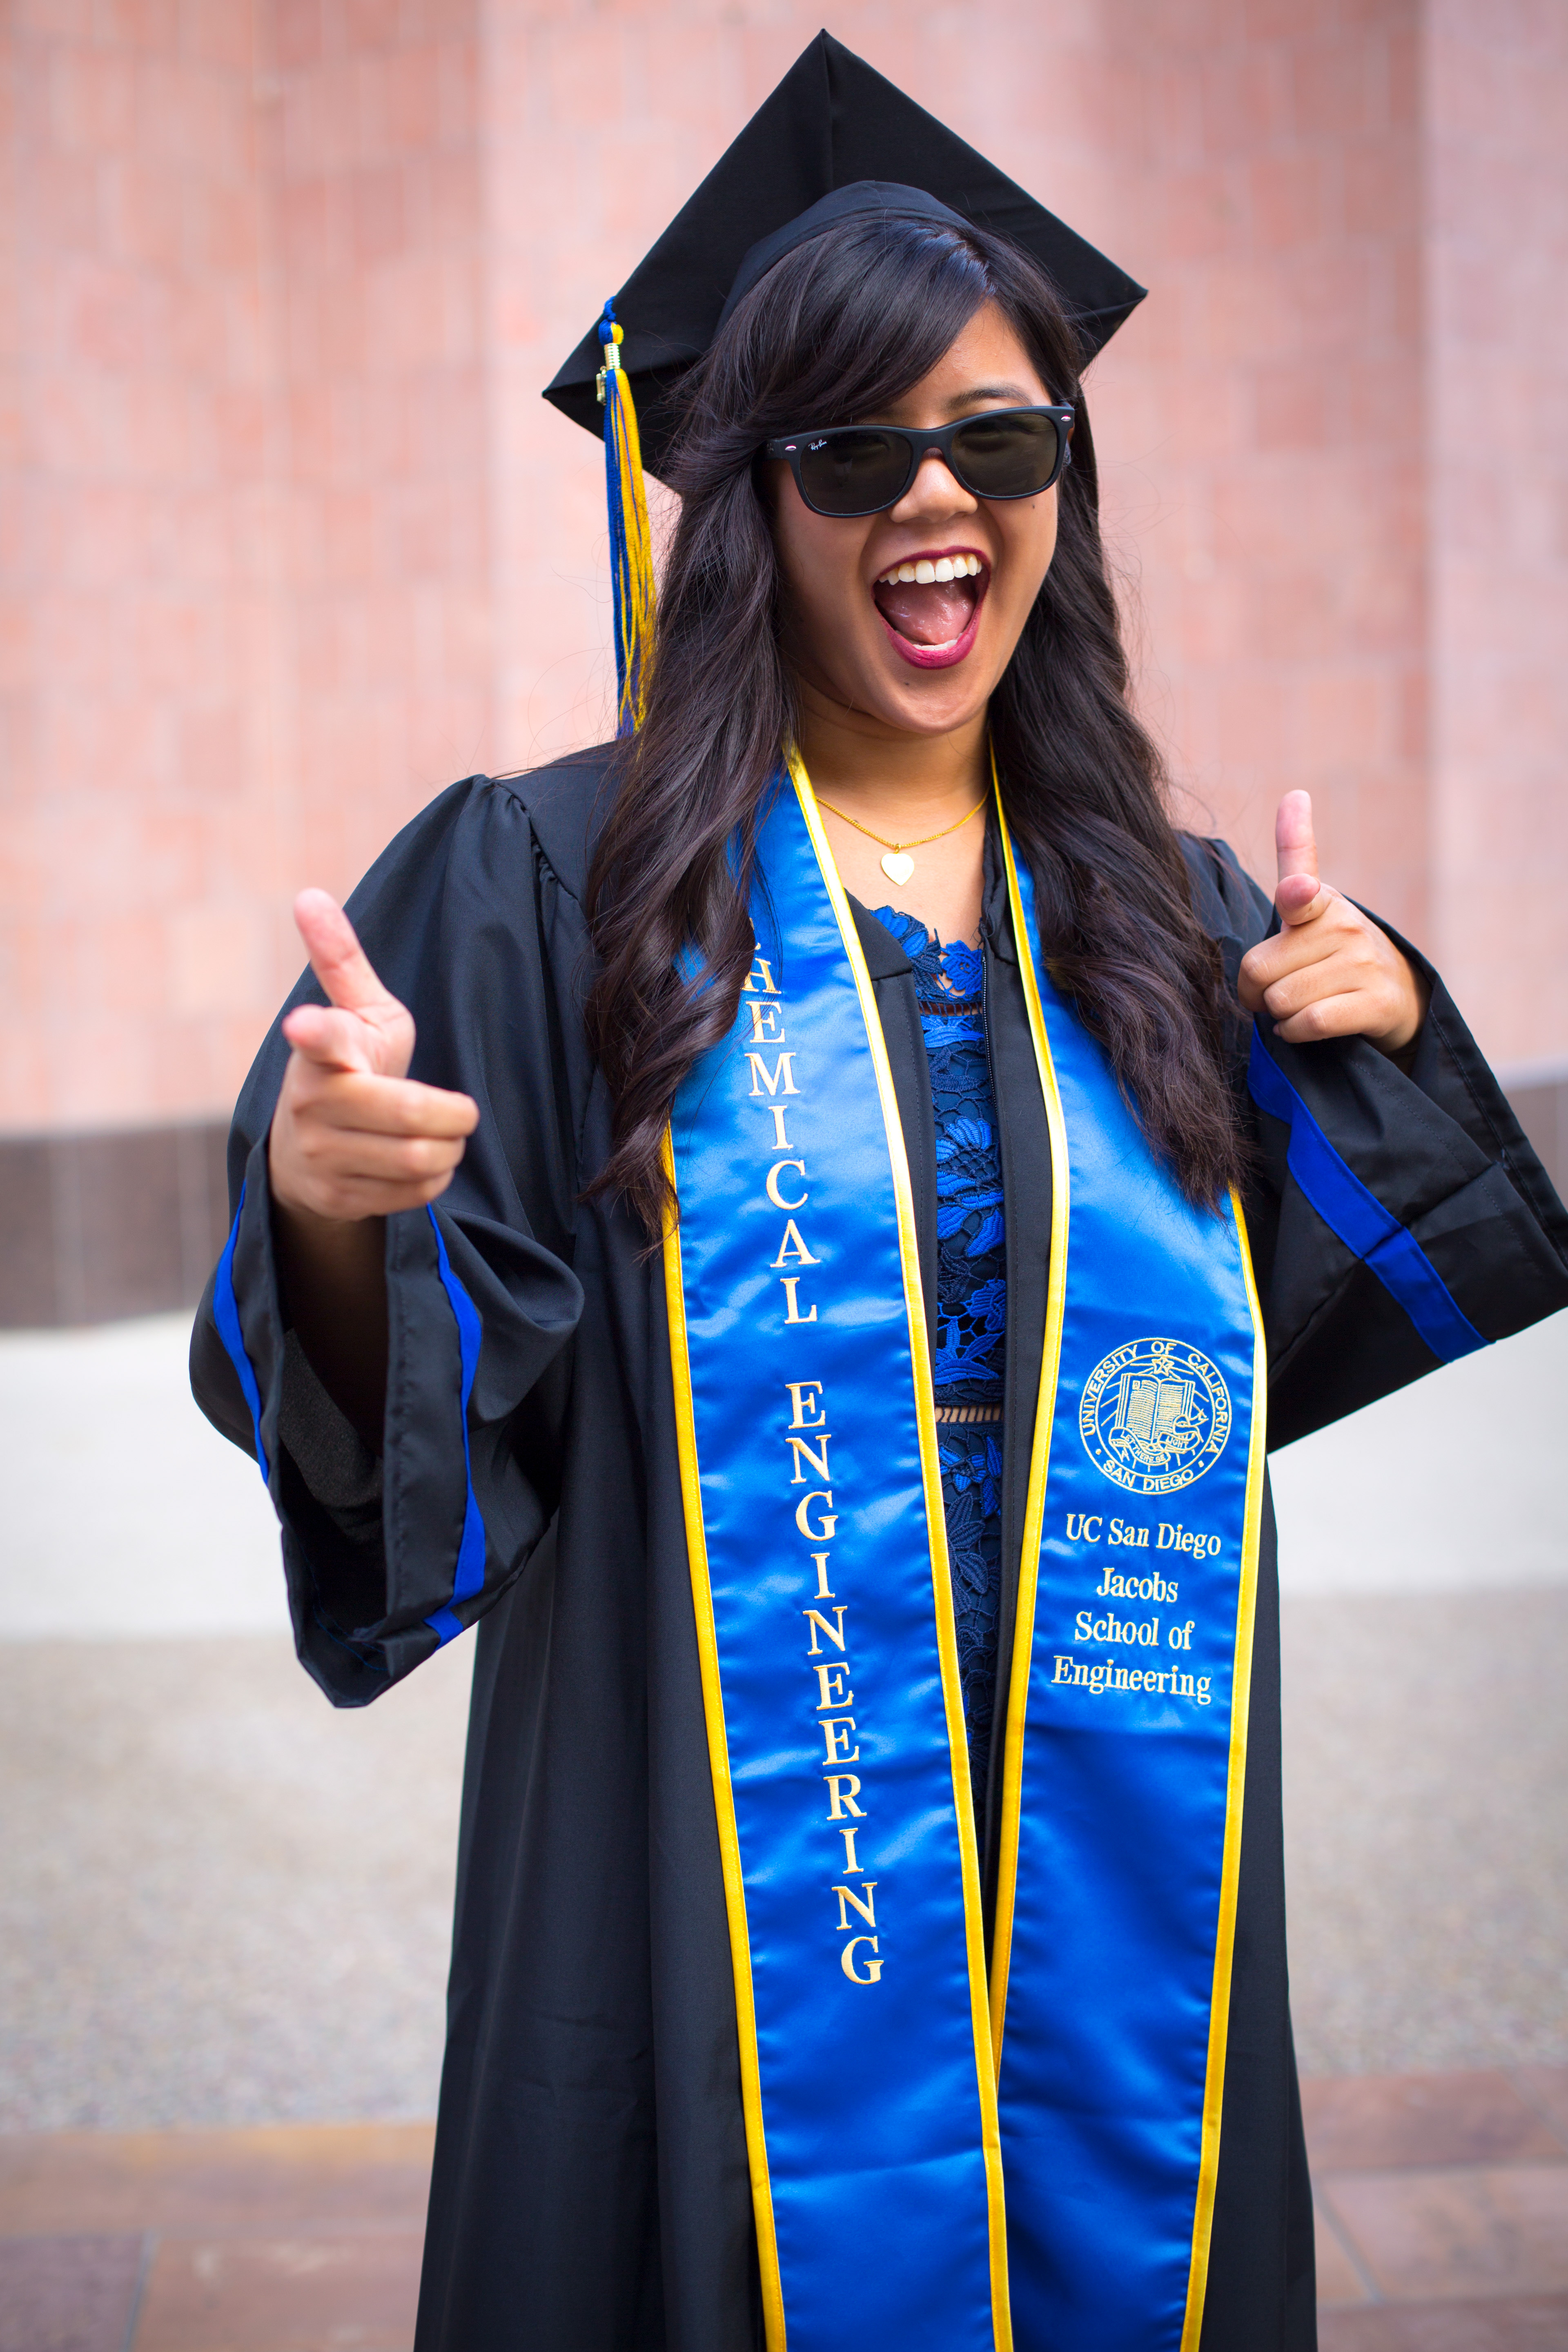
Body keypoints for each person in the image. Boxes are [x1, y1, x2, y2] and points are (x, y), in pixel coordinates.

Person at [191, 33, 1568, 2352]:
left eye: (1001, 443)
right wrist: (331, 1208)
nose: (940, 498)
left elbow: (1278, 1329)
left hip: (1102, 1804)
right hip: (715, 1823)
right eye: (855, 452)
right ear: (749, 504)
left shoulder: (1154, 903)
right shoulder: (561, 888)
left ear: (1062, 490)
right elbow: (421, 1411)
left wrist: (1386, 1023)